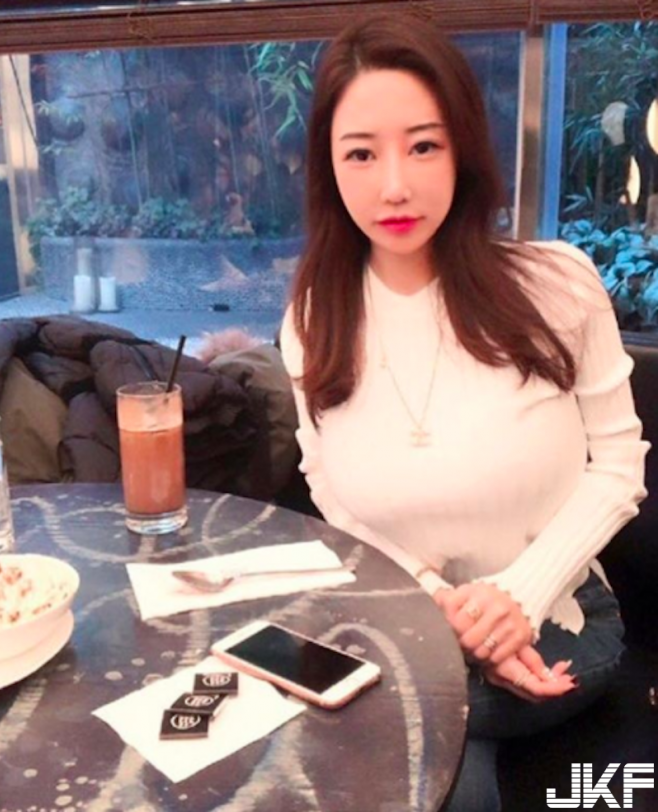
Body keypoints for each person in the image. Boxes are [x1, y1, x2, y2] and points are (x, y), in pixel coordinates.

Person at [279, 13, 649, 811]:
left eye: (423, 146)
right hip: (402, 616)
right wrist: (442, 607)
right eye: (361, 154)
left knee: (356, 722)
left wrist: (514, 600)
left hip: (559, 611)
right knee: (437, 751)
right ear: (328, 168)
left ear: (464, 149)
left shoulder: (557, 286)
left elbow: (620, 467)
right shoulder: (313, 318)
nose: (394, 186)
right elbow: (326, 483)